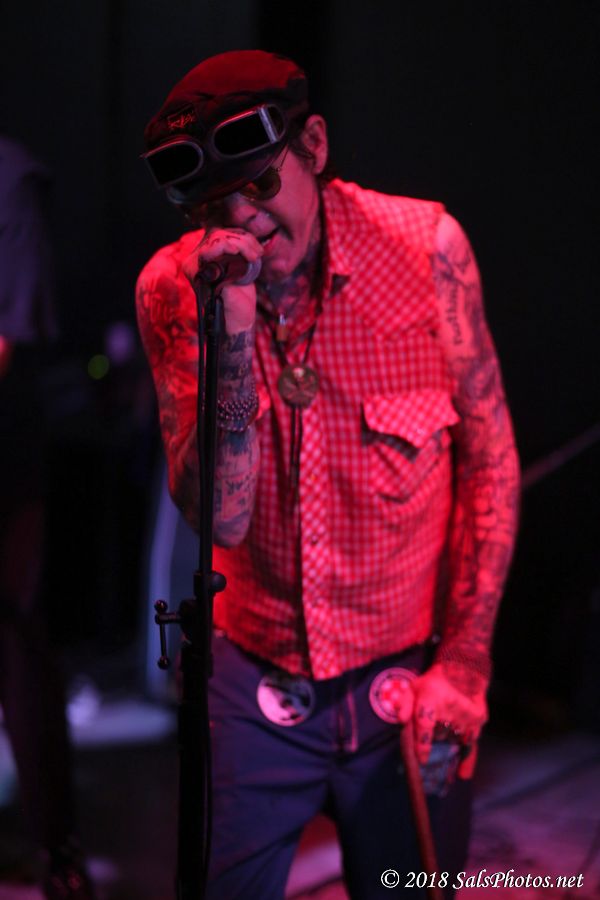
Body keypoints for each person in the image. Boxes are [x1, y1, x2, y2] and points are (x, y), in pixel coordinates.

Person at [136, 50, 520, 899]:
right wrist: (231, 333)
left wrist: (465, 663)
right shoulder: (175, 287)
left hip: (404, 674)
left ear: (312, 146)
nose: (242, 217)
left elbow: (490, 457)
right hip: (254, 678)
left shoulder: (426, 249)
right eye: (214, 203)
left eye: (261, 184)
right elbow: (221, 519)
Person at [0, 136, 95, 899]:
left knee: (16, 643)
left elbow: (11, 339)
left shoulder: (11, 181)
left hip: (5, 460)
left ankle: (57, 852)